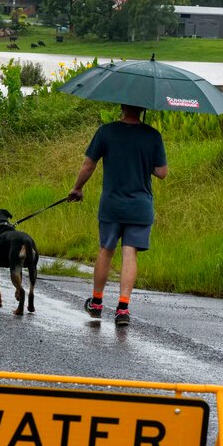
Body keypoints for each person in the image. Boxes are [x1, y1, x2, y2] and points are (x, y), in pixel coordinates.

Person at [68, 104, 168, 327]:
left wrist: (77, 188)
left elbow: (88, 165)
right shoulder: (153, 136)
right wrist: (145, 161)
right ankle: (123, 308)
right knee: (129, 253)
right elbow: (162, 172)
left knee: (106, 250)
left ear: (122, 107)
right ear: (143, 109)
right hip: (140, 207)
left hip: (112, 205)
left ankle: (96, 303)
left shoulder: (106, 132)